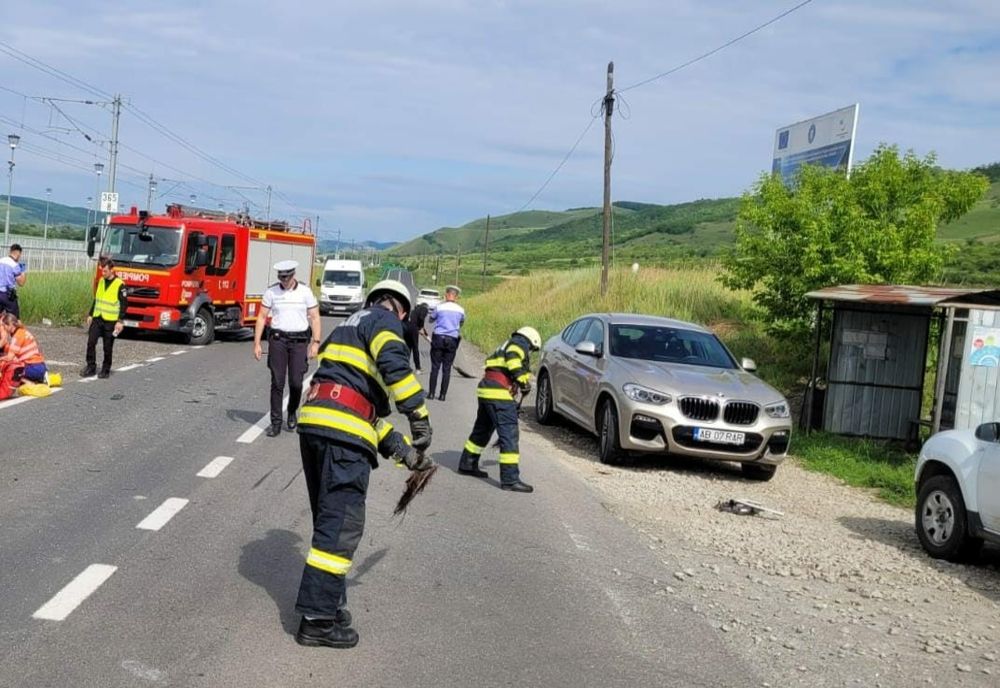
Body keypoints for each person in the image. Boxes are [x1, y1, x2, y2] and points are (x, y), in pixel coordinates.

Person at [294, 278, 433, 649]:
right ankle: (317, 622)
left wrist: (405, 452)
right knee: (340, 528)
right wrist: (419, 416)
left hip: (318, 426)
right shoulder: (384, 321)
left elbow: (362, 409)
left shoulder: (347, 327)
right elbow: (396, 371)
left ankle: (330, 604)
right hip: (341, 435)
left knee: (330, 521)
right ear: (401, 310)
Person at [458, 326, 541, 493]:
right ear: (531, 340)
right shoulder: (519, 343)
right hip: (499, 393)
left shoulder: (505, 345)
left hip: (486, 389)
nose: (530, 351)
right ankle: (510, 480)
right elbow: (514, 359)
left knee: (482, 430)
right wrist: (523, 381)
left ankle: (467, 463)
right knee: (509, 434)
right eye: (532, 349)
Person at [253, 260, 322, 437]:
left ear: (293, 275)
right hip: (278, 340)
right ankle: (275, 423)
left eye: (287, 277)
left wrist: (315, 342)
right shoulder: (271, 292)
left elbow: (314, 317)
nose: (284, 280)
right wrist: (257, 344)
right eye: (281, 277)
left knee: (296, 383)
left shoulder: (305, 292)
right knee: (277, 382)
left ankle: (291, 411)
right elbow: (261, 317)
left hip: (299, 341)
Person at [82, 257, 126, 379]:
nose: (103, 273)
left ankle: (106, 369)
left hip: (111, 321)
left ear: (112, 270)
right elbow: (97, 299)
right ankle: (91, 366)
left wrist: (120, 321)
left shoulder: (120, 285)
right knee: (91, 342)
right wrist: (91, 314)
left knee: (107, 346)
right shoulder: (101, 281)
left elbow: (123, 305)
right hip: (98, 318)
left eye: (105, 271)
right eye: (102, 270)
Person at [427, 285, 465, 401]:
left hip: (438, 338)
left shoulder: (439, 307)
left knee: (435, 367)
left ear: (447, 295)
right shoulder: (461, 310)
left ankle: (431, 394)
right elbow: (462, 322)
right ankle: (442, 395)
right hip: (452, 339)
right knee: (447, 369)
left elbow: (431, 319)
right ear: (456, 297)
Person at [0, 313, 48, 382]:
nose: (4, 329)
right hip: (40, 365)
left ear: (10, 325)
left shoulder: (17, 337)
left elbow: (9, 358)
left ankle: (31, 382)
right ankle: (39, 377)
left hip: (33, 367)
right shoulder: (23, 331)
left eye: (5, 327)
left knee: (11, 371)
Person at [0, 244, 27, 317]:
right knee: (14, 319)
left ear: (10, 251)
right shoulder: (15, 265)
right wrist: (23, 271)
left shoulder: (1, 260)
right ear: (19, 253)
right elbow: (21, 283)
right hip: (8, 295)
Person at [403, 300, 429, 372]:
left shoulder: (414, 310)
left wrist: (422, 329)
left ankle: (405, 366)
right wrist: (419, 327)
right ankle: (418, 368)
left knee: (408, 348)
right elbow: (421, 318)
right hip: (413, 329)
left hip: (406, 328)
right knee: (415, 348)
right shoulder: (424, 308)